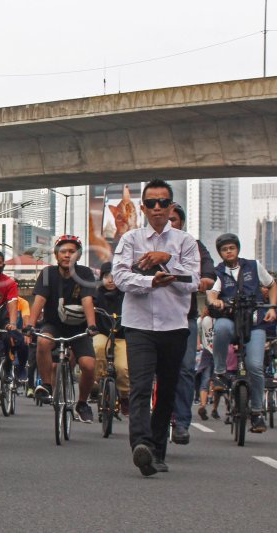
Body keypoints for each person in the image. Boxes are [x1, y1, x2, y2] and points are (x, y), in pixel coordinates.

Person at [112, 178, 199, 476]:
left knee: (167, 391)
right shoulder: (130, 240)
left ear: (171, 206)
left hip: (175, 327)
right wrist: (151, 281)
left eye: (163, 203)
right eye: (151, 203)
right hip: (138, 326)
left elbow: (194, 282)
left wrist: (168, 261)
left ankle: (158, 451)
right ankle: (143, 447)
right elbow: (121, 279)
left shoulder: (185, 243)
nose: (158, 208)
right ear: (143, 207)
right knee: (139, 386)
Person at [206, 232, 277, 433]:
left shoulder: (253, 266)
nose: (229, 252)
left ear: (237, 249)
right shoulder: (218, 272)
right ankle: (219, 373)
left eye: (232, 248)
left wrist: (272, 308)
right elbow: (212, 293)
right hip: (230, 320)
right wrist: (215, 301)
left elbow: (271, 285)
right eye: (224, 249)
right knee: (219, 327)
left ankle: (256, 413)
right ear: (220, 253)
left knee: (255, 366)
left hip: (254, 323)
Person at [27, 235, 98, 423]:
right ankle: (47, 386)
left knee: (89, 366)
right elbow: (39, 300)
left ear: (79, 256)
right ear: (56, 255)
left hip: (79, 328)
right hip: (54, 325)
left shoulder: (85, 274)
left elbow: (87, 300)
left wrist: (92, 325)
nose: (68, 255)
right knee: (42, 341)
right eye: (64, 252)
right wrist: (30, 325)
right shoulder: (48, 273)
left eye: (72, 252)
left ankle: (82, 403)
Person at [167, 203, 216, 444]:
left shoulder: (193, 245)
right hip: (150, 319)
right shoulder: (143, 242)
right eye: (165, 218)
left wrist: (206, 278)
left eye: (174, 219)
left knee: (185, 369)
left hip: (184, 318)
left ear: (181, 223)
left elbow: (208, 269)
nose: (169, 222)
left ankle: (182, 423)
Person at [92, 261, 130, 416]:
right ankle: (97, 382)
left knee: (123, 368)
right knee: (97, 348)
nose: (110, 280)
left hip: (122, 337)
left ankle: (125, 396)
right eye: (107, 276)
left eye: (114, 276)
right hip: (102, 334)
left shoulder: (128, 295)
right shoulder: (95, 295)